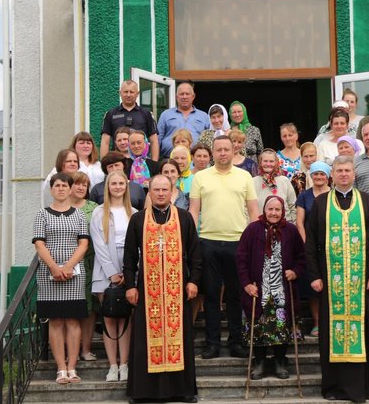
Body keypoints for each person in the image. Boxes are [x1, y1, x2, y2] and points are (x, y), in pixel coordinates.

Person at [304, 155, 369, 403]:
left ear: (354, 173)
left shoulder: (367, 202)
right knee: (332, 333)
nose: (343, 174)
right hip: (331, 283)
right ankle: (334, 387)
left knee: (363, 332)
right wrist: (315, 276)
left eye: (347, 170)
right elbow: (311, 243)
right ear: (332, 174)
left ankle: (365, 387)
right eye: (338, 170)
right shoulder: (320, 204)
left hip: (362, 284)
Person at [123, 175, 202, 403]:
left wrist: (193, 281)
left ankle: (183, 390)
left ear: (172, 191)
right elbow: (129, 257)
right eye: (156, 189)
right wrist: (130, 285)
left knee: (181, 339)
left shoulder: (184, 218)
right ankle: (143, 392)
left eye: (164, 190)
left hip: (177, 291)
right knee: (145, 340)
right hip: (148, 291)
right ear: (149, 191)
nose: (160, 193)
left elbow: (195, 254)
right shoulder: (138, 219)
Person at [189, 135, 260, 360]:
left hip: (238, 242)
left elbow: (254, 212)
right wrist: (192, 240)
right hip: (208, 241)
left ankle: (236, 342)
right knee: (211, 295)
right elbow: (193, 211)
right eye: (218, 150)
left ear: (233, 151)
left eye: (226, 149)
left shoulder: (245, 176)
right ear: (212, 153)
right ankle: (212, 344)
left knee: (236, 295)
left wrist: (253, 241)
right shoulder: (200, 177)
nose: (222, 153)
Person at [236, 195, 306, 380]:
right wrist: (246, 284)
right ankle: (259, 363)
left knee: (281, 328)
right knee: (258, 327)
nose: (274, 213)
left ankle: (279, 362)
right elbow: (241, 259)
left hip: (281, 290)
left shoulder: (290, 230)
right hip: (259, 289)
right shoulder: (252, 229)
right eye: (270, 209)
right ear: (264, 210)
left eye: (277, 210)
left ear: (282, 211)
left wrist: (295, 272)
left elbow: (301, 256)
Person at [32, 172, 90, 385]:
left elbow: (83, 244)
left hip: (74, 273)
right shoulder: (42, 214)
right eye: (57, 185)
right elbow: (39, 243)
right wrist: (55, 267)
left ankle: (73, 367)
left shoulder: (79, 215)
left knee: (73, 321)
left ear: (70, 188)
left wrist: (68, 266)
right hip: (49, 273)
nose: (61, 189)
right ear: (52, 189)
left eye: (65, 185)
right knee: (55, 321)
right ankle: (61, 369)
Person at [90, 171, 137, 382]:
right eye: (113, 183)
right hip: (105, 267)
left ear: (126, 186)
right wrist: (112, 273)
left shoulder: (134, 212)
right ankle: (112, 365)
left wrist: (129, 272)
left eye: (121, 183)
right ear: (107, 186)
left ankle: (125, 364)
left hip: (128, 267)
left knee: (126, 318)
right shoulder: (99, 213)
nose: (117, 187)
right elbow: (98, 245)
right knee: (109, 318)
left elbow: (138, 245)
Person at [294, 161, 331, 338]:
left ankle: (332, 321)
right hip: (311, 247)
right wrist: (306, 244)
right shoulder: (304, 196)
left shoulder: (334, 194)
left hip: (332, 246)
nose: (318, 177)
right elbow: (300, 222)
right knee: (314, 288)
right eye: (315, 174)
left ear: (328, 176)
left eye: (322, 174)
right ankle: (317, 323)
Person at [68, 171, 99, 363]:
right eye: (77, 184)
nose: (81, 188)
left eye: (84, 185)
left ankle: (86, 349)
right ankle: (70, 349)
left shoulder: (94, 208)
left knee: (89, 310)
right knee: (70, 309)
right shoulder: (62, 208)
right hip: (68, 264)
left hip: (90, 262)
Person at [100, 80, 159, 161]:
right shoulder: (111, 114)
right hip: (118, 161)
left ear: (137, 94)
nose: (128, 95)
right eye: (125, 92)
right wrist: (104, 164)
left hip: (141, 162)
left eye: (131, 92)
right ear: (120, 93)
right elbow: (105, 142)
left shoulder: (146, 114)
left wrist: (154, 163)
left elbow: (154, 141)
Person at [157, 82, 210, 158]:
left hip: (196, 161)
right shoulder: (166, 115)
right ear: (176, 96)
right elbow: (157, 139)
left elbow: (209, 141)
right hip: (168, 160)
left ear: (193, 96)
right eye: (181, 94)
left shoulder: (204, 116)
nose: (184, 97)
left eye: (187, 94)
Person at [253, 149, 297, 223]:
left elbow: (293, 205)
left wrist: (293, 224)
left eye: (271, 161)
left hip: (284, 223)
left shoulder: (284, 180)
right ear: (260, 162)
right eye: (265, 161)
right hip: (261, 224)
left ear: (276, 163)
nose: (268, 164)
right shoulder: (253, 181)